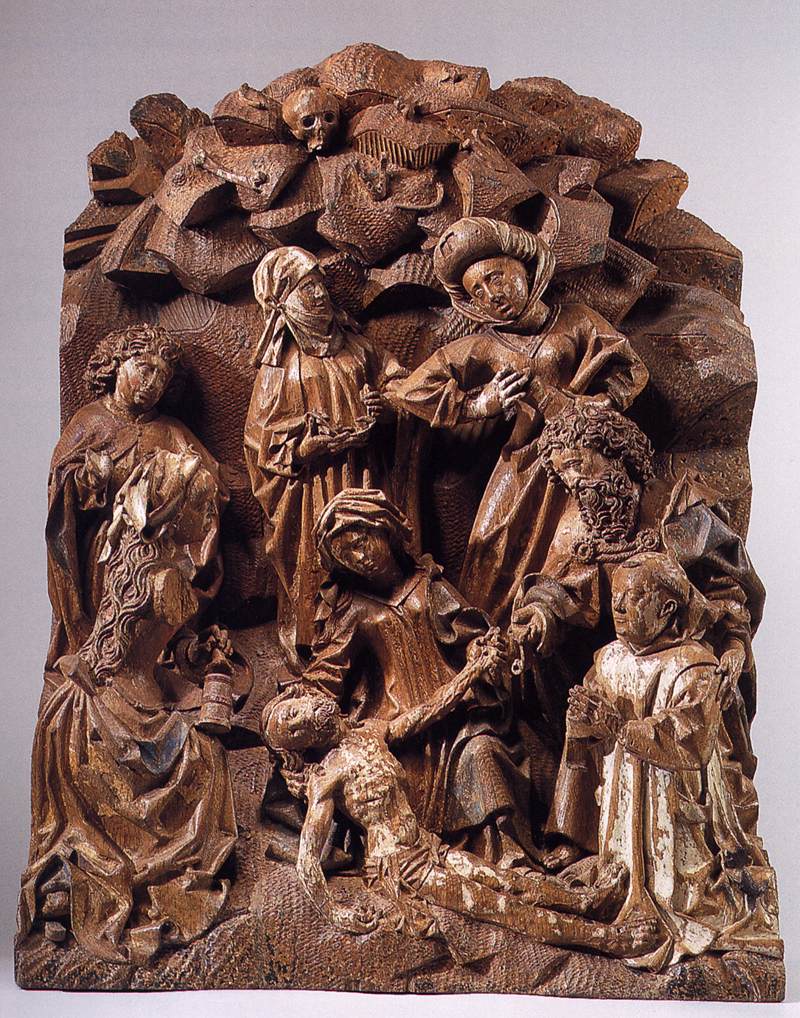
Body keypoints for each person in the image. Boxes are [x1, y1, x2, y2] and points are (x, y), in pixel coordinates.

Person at [508, 402, 767, 865]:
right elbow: (562, 586)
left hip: (679, 659)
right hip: (618, 660)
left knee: (685, 715)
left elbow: (729, 590)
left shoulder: (680, 512)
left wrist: (731, 645)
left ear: (615, 455)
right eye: (565, 476)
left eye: (580, 468)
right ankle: (577, 833)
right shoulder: (583, 522)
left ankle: (681, 845)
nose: (576, 486)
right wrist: (540, 617)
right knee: (581, 702)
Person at [19, 450, 237, 964]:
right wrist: (203, 672)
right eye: (204, 508)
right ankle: (135, 873)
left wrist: (189, 661)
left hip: (103, 696)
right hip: (122, 714)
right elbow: (142, 658)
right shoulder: (166, 582)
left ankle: (73, 882)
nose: (211, 521)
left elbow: (139, 649)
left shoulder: (131, 561)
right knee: (207, 758)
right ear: (175, 513)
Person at [261, 685, 655, 961]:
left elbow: (429, 710)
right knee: (502, 907)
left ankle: (587, 902)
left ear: (305, 697)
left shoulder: (370, 734)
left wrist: (472, 671)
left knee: (509, 881)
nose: (300, 723)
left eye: (293, 713)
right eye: (292, 732)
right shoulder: (326, 776)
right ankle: (609, 939)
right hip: (403, 867)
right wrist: (336, 912)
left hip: (427, 845)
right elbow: (307, 858)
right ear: (301, 747)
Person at [386, 215, 648, 623]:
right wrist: (479, 404)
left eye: (496, 277)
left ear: (524, 266)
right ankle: (488, 644)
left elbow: (630, 370)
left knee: (581, 547)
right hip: (522, 465)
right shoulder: (484, 346)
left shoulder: (576, 319)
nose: (492, 295)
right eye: (477, 291)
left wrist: (597, 405)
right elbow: (410, 390)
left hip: (582, 461)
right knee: (490, 549)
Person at [560, 552, 781, 970]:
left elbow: (691, 740)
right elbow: (587, 734)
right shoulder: (607, 660)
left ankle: (669, 907)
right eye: (616, 596)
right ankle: (625, 894)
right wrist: (581, 721)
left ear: (666, 610)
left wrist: (617, 726)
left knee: (684, 882)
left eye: (634, 597)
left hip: (674, 811)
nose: (619, 606)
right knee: (618, 868)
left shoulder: (693, 666)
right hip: (624, 800)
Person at [302, 488, 536, 865]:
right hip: (401, 726)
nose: (359, 558)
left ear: (384, 529)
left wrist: (479, 651)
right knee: (398, 783)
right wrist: (305, 704)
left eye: (361, 542)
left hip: (459, 712)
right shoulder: (353, 609)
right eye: (346, 555)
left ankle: (505, 852)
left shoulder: (428, 585)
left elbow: (467, 634)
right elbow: (328, 670)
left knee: (483, 753)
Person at [244, 246, 408, 668]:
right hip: (312, 494)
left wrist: (386, 407)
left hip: (366, 475)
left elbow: (401, 384)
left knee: (378, 558)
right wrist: (305, 449)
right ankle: (327, 656)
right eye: (305, 288)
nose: (318, 295)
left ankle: (392, 645)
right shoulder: (279, 368)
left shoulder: (360, 349)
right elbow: (259, 443)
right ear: (283, 303)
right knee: (321, 576)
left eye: (319, 284)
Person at [45, 324, 226, 666]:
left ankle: (162, 654)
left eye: (162, 377)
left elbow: (210, 488)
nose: (152, 383)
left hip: (166, 546)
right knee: (113, 559)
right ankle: (106, 652)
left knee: (170, 580)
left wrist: (187, 489)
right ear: (116, 365)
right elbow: (62, 494)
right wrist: (89, 480)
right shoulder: (91, 421)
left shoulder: (172, 431)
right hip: (109, 545)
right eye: (145, 369)